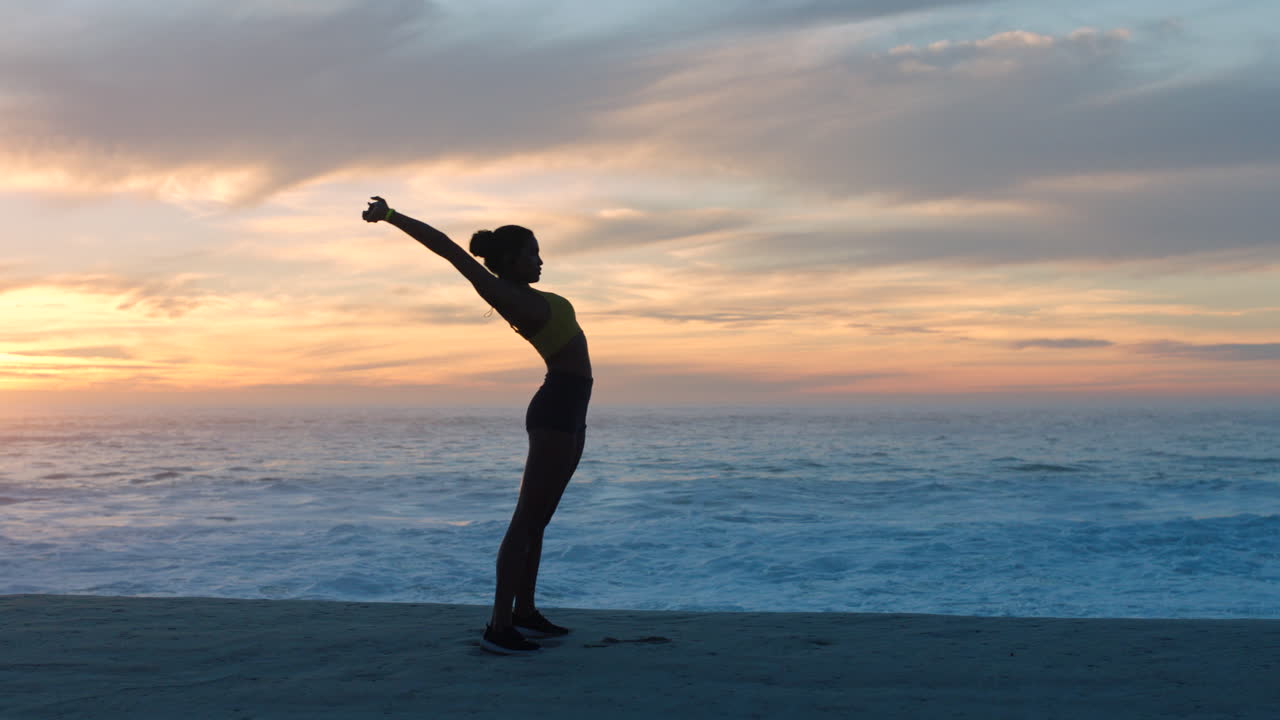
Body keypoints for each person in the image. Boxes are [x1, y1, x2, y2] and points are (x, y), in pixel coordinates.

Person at [363, 197, 592, 655]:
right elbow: (447, 248)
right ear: (509, 261)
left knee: (539, 522)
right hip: (554, 411)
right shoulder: (501, 292)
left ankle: (524, 612)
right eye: (532, 253)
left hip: (572, 411)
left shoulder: (529, 295)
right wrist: (390, 216)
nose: (540, 260)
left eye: (539, 252)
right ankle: (498, 625)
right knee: (525, 520)